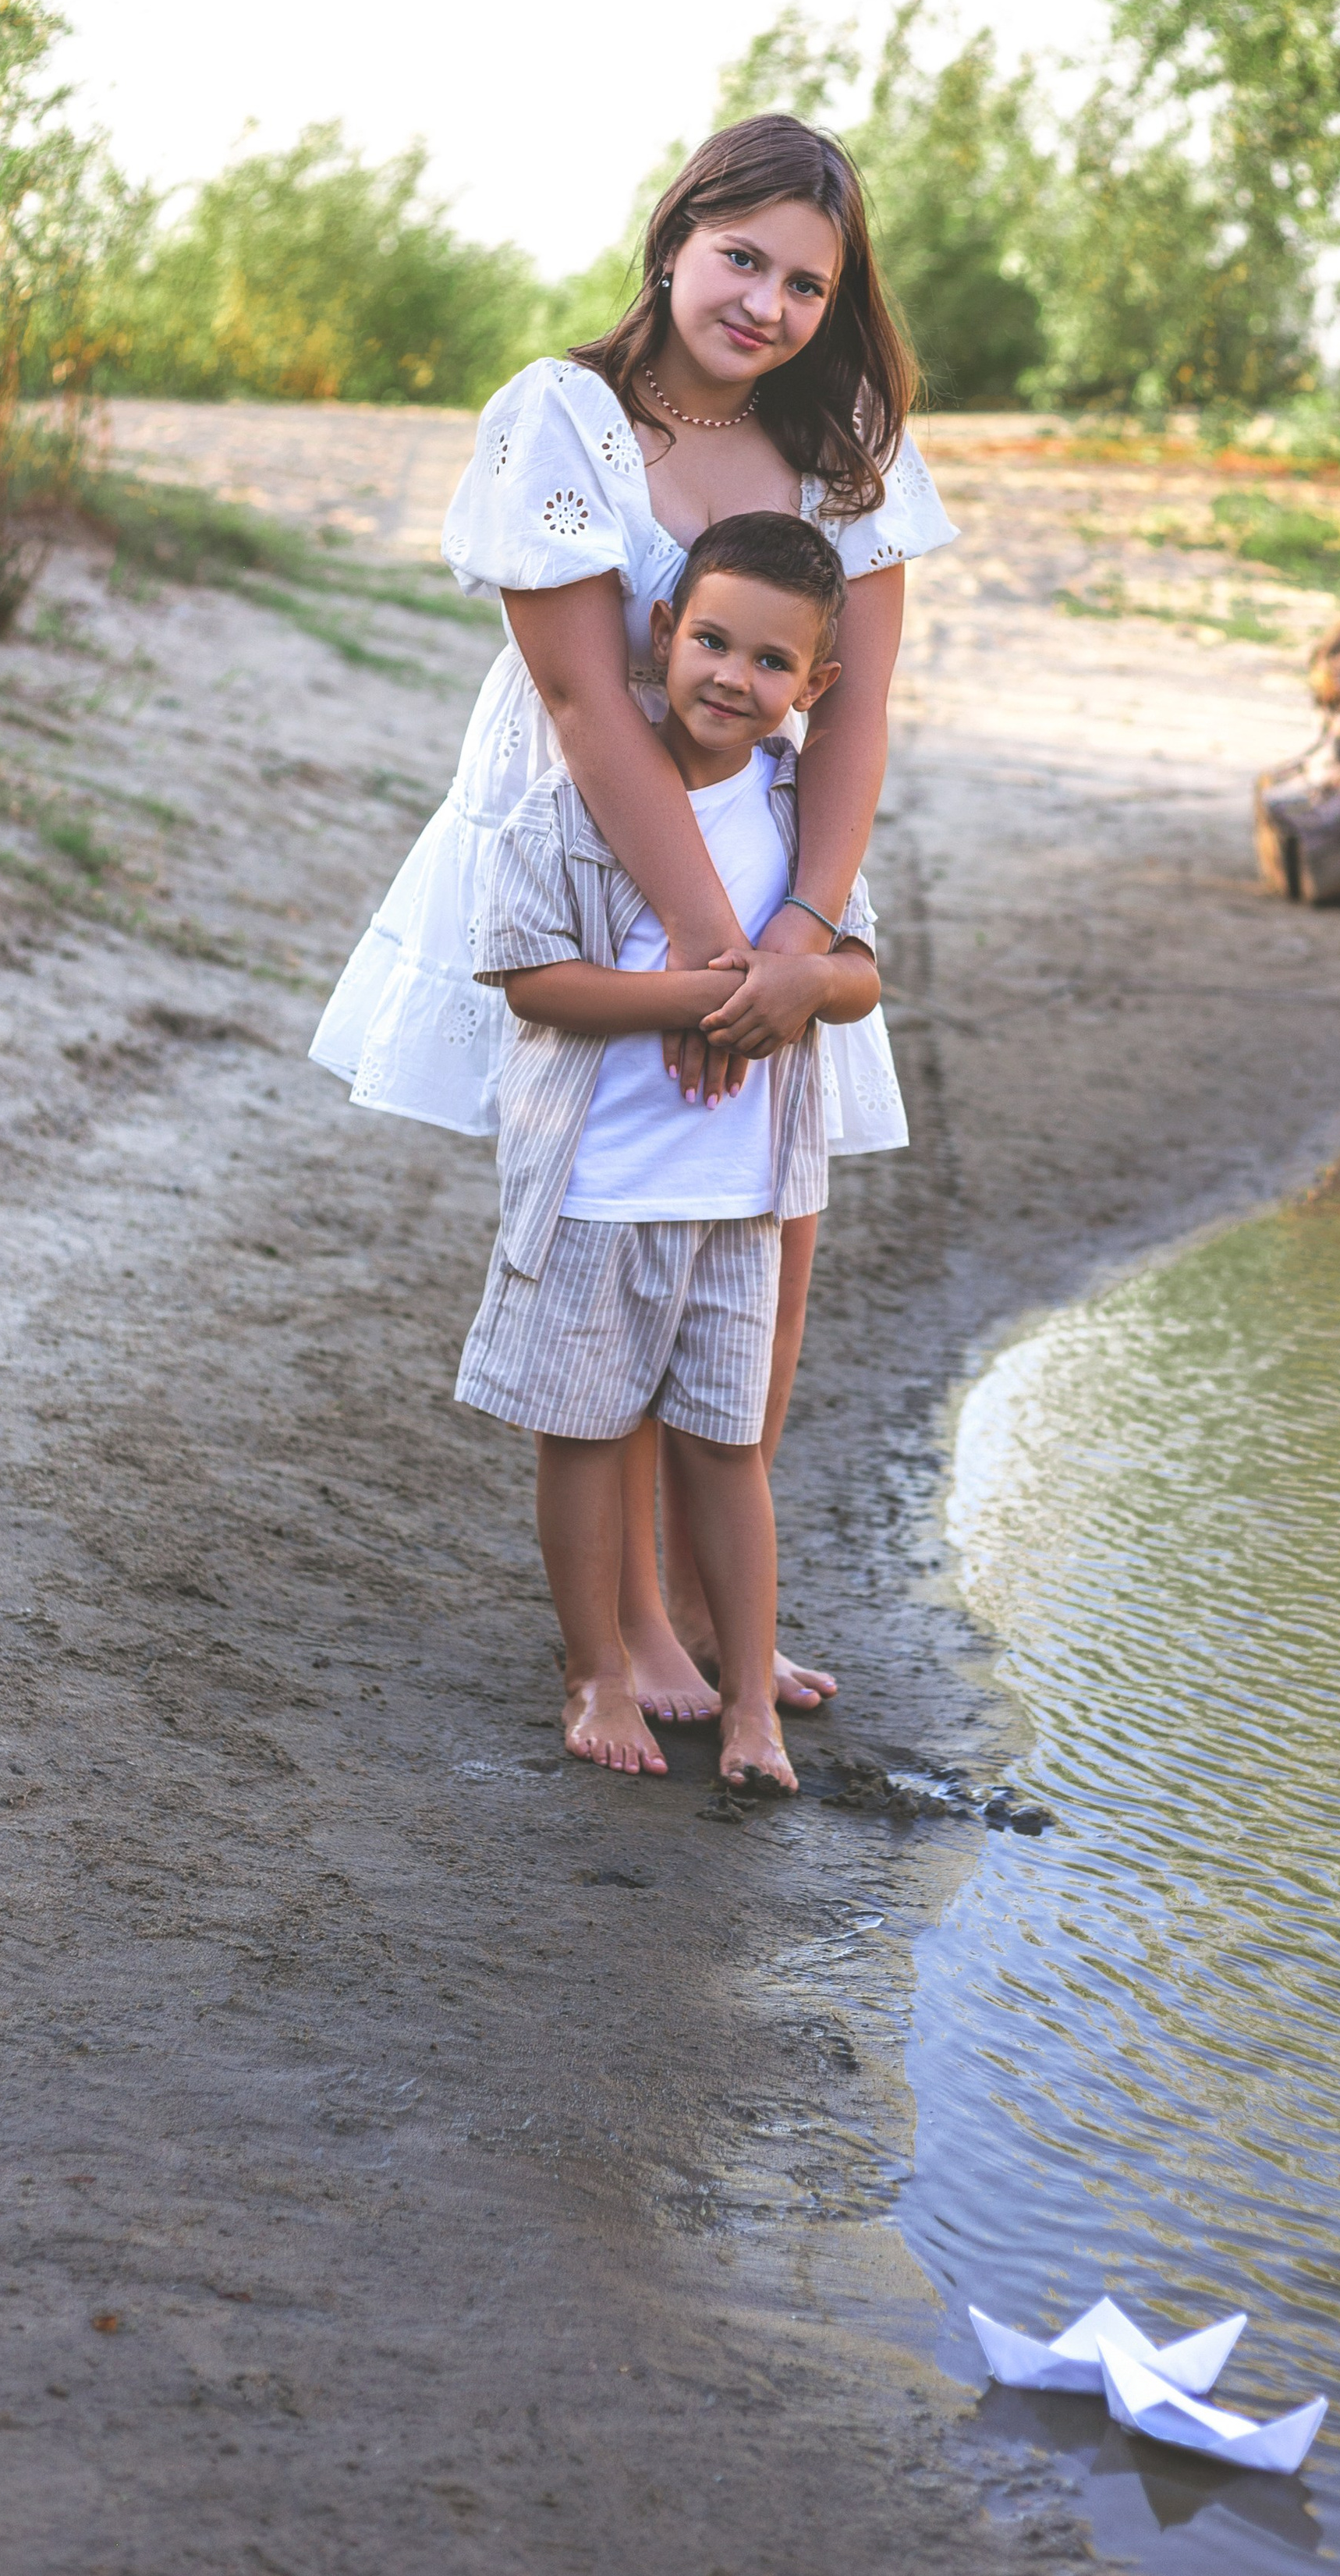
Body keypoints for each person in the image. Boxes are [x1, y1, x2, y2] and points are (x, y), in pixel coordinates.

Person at [310, 115, 956, 1713]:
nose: (768, 303)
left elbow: (859, 709)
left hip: (770, 877)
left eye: (809, 282)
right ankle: (634, 1628)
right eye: (743, 258)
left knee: (754, 1245)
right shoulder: (566, 421)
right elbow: (584, 698)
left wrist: (799, 938)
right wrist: (703, 957)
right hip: (612, 880)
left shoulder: (843, 450)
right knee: (618, 1229)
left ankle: (722, 1620)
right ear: (675, 238)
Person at [456, 516, 881, 1788]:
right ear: (662, 632)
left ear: (815, 686)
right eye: (710, 640)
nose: (730, 678)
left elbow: (858, 975)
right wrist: (708, 998)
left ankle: (750, 1702)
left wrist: (796, 987)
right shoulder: (575, 802)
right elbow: (533, 981)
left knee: (725, 1444)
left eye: (768, 662)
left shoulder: (803, 813)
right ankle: (596, 1672)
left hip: (741, 1195)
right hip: (595, 1188)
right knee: (583, 1434)